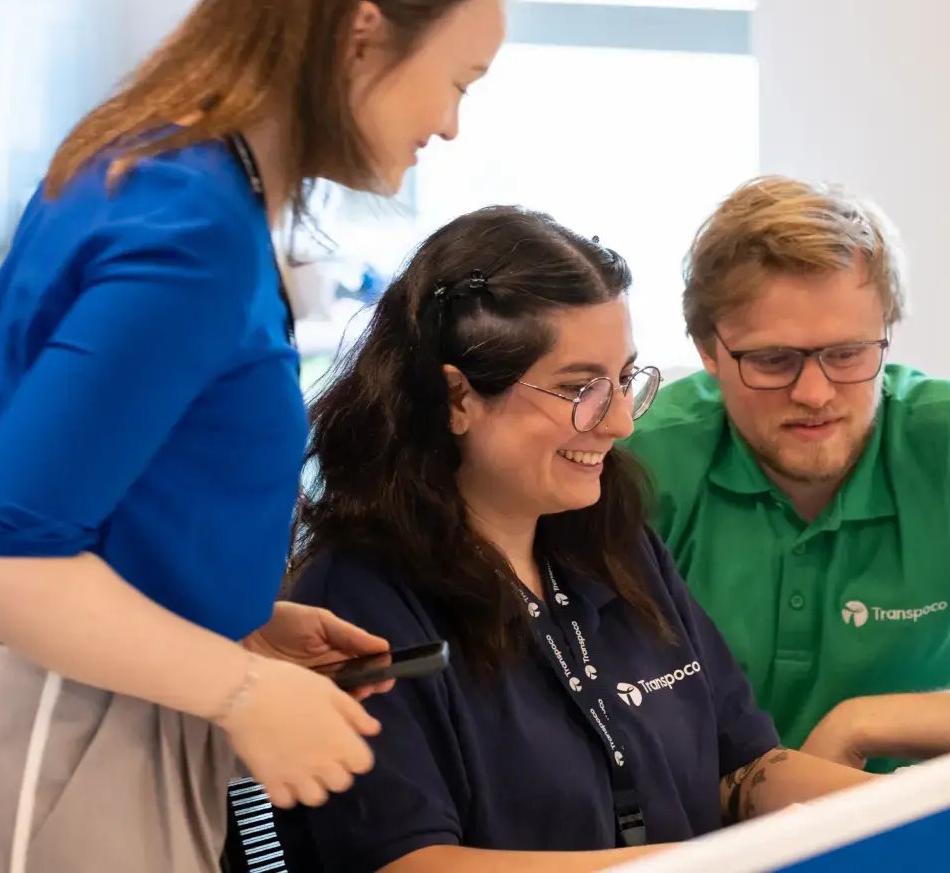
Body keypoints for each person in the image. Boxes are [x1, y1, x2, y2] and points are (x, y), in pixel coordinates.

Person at [0, 0, 523, 872]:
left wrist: (240, 618)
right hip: (61, 722)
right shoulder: (183, 228)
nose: (449, 125)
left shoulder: (185, 175)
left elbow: (118, 483)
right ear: (363, 35)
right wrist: (238, 688)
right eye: (455, 81)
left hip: (113, 690)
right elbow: (6, 556)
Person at [284, 207, 870, 872]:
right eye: (579, 389)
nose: (619, 421)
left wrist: (922, 809)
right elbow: (408, 864)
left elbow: (741, 770)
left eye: (624, 380)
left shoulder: (613, 546)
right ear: (456, 397)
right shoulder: (358, 597)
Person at [624, 177, 950, 774]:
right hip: (699, 841)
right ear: (707, 351)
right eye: (774, 361)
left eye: (846, 355)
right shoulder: (642, 455)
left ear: (888, 335)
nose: (815, 394)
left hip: (906, 829)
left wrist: (861, 723)